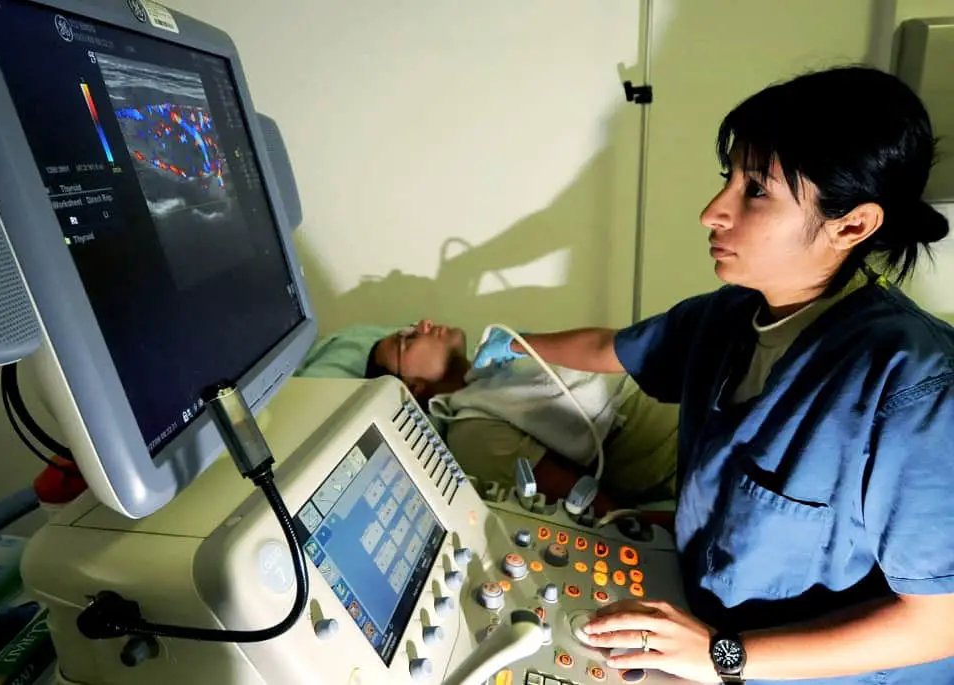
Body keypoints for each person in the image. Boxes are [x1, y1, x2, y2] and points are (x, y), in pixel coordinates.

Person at [472, 65, 954, 684]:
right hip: (704, 624)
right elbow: (608, 346)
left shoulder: (913, 387)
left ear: (852, 225)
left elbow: (939, 621)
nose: (711, 212)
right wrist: (506, 345)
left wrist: (721, 656)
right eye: (728, 180)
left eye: (756, 191)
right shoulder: (728, 318)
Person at [364, 320, 679, 513]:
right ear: (413, 387)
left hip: (683, 394)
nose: (423, 324)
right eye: (407, 340)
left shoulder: (496, 370)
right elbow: (591, 505)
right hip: (678, 443)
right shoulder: (472, 434)